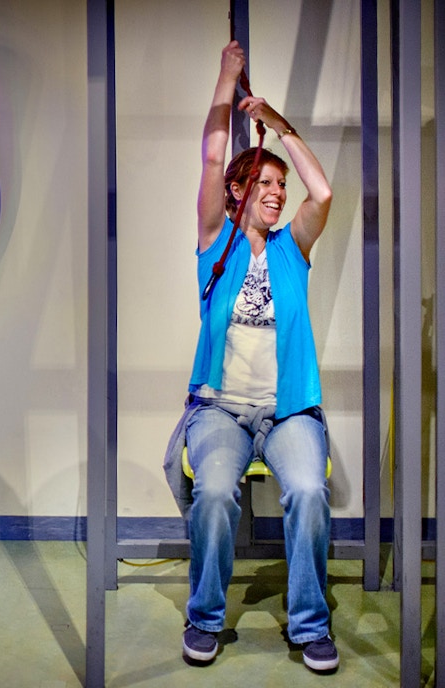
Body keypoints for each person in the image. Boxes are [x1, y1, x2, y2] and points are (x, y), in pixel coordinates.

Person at [164, 40, 336, 671]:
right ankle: (205, 618)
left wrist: (281, 127)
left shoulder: (293, 249)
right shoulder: (218, 244)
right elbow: (212, 155)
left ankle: (310, 625)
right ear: (237, 191)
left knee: (309, 493)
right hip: (222, 411)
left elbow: (322, 191)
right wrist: (225, 78)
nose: (278, 192)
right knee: (211, 492)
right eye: (265, 182)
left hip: (289, 411)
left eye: (278, 184)